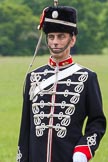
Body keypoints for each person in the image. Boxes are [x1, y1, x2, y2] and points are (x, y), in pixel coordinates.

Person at [16, 4, 106, 162]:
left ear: (72, 39)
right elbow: (25, 130)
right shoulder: (33, 78)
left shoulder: (87, 77)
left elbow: (97, 122)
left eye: (61, 36)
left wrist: (83, 150)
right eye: (51, 37)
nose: (55, 42)